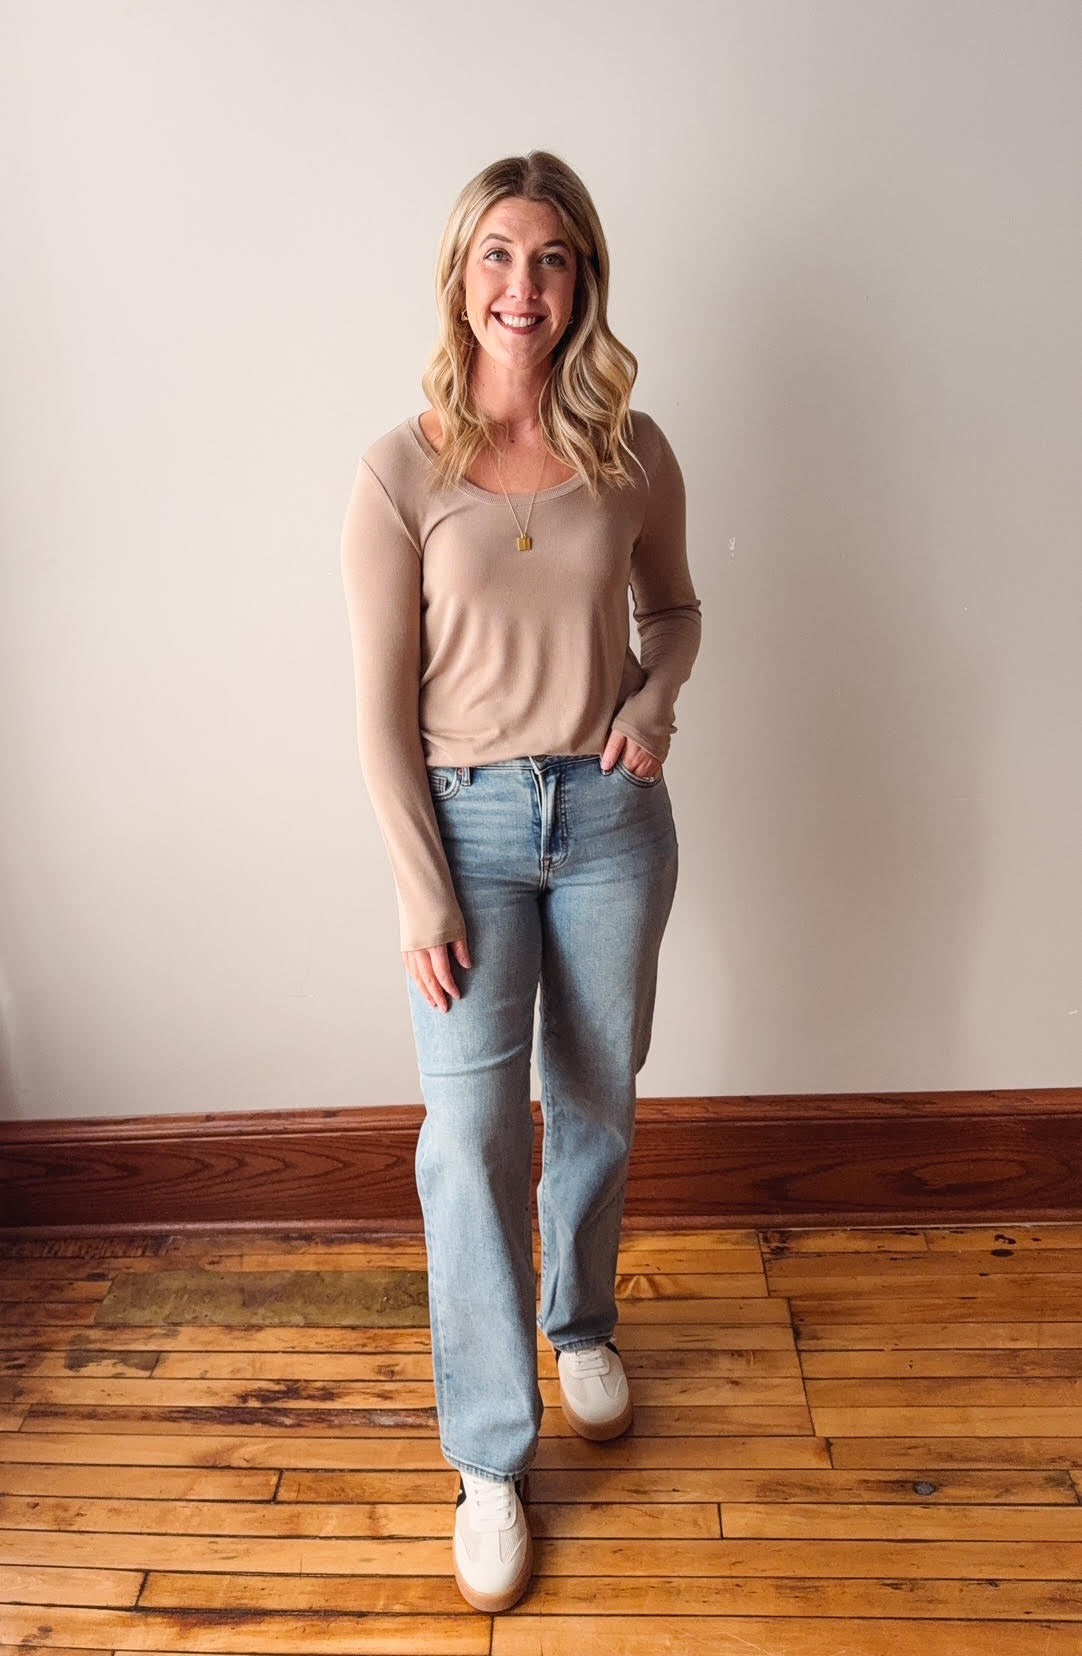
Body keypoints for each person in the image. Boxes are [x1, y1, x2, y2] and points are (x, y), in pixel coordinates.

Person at [340, 149, 701, 1613]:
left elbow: (672, 610)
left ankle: (583, 1321)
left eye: (550, 260)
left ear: (582, 282)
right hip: (467, 832)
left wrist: (653, 701)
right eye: (498, 256)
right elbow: (374, 713)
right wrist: (419, 887)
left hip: (611, 823)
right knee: (468, 1141)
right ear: (460, 274)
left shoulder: (632, 447)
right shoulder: (398, 467)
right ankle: (490, 1459)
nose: (523, 287)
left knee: (598, 1102)